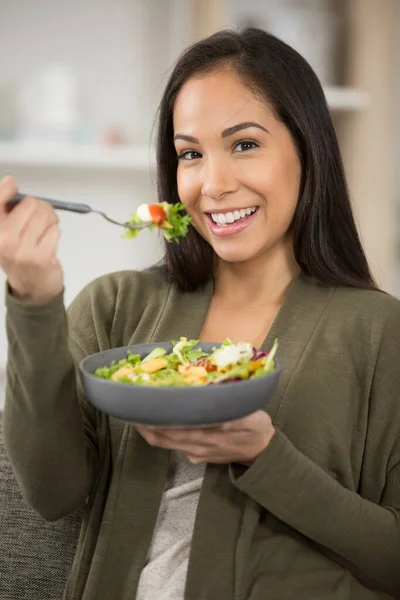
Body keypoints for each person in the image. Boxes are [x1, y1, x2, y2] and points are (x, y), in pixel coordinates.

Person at [1, 27, 399, 600]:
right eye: (190, 154)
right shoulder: (117, 307)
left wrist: (266, 457)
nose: (212, 185)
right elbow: (51, 491)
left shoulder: (379, 332)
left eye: (244, 144)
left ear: (307, 148)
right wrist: (34, 301)